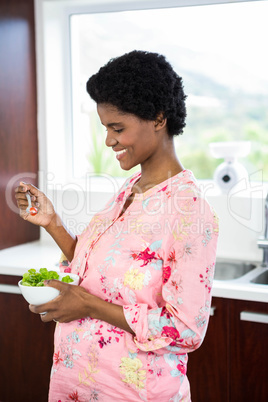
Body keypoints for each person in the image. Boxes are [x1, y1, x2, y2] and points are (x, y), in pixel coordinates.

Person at [15, 50, 219, 402]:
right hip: (79, 383)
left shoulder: (188, 211)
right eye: (106, 128)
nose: (109, 140)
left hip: (135, 392)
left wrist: (88, 305)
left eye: (117, 128)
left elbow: (186, 330)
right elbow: (98, 271)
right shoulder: (130, 189)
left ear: (158, 118)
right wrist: (52, 223)